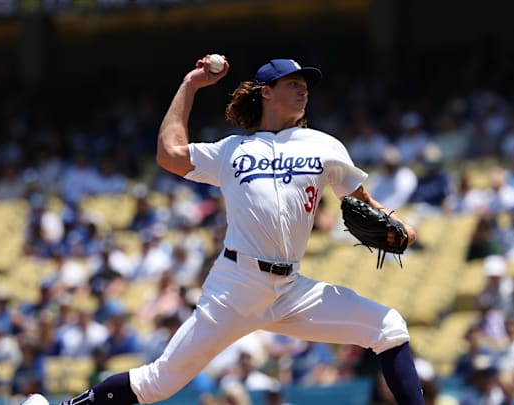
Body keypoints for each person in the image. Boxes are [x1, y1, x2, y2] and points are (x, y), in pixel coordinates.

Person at [21, 55, 422, 404]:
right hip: (236, 285)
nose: (304, 91)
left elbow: (365, 202)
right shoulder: (232, 150)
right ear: (266, 92)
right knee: (158, 382)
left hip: (292, 289)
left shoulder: (323, 144)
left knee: (389, 327)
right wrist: (190, 85)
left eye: (306, 86)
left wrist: (400, 223)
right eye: (294, 84)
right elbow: (170, 154)